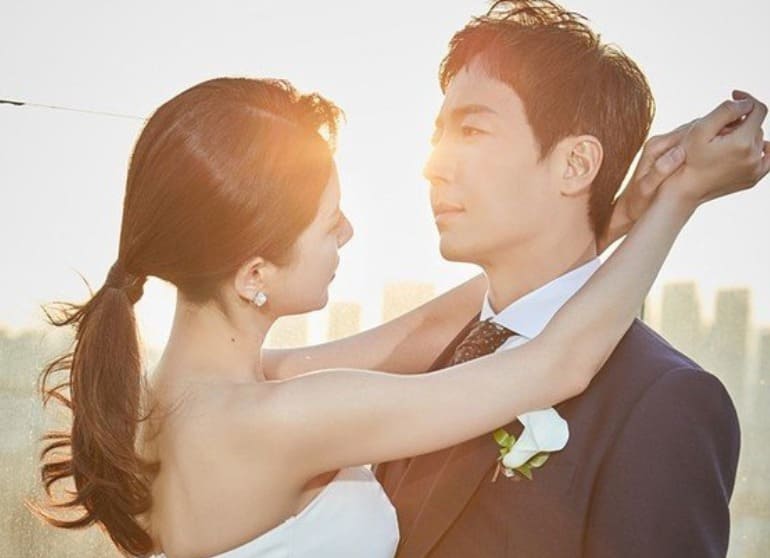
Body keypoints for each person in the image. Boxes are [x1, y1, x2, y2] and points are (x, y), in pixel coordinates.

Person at [35, 73, 765, 558]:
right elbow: (556, 365)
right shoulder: (282, 417)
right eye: (328, 223)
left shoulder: (170, 402)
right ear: (254, 274)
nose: (349, 232)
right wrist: (680, 200)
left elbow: (422, 332)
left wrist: (618, 215)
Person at [367, 2, 768, 557]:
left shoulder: (664, 400)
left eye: (472, 129)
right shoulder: (432, 361)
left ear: (576, 164)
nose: (432, 165)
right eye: (439, 134)